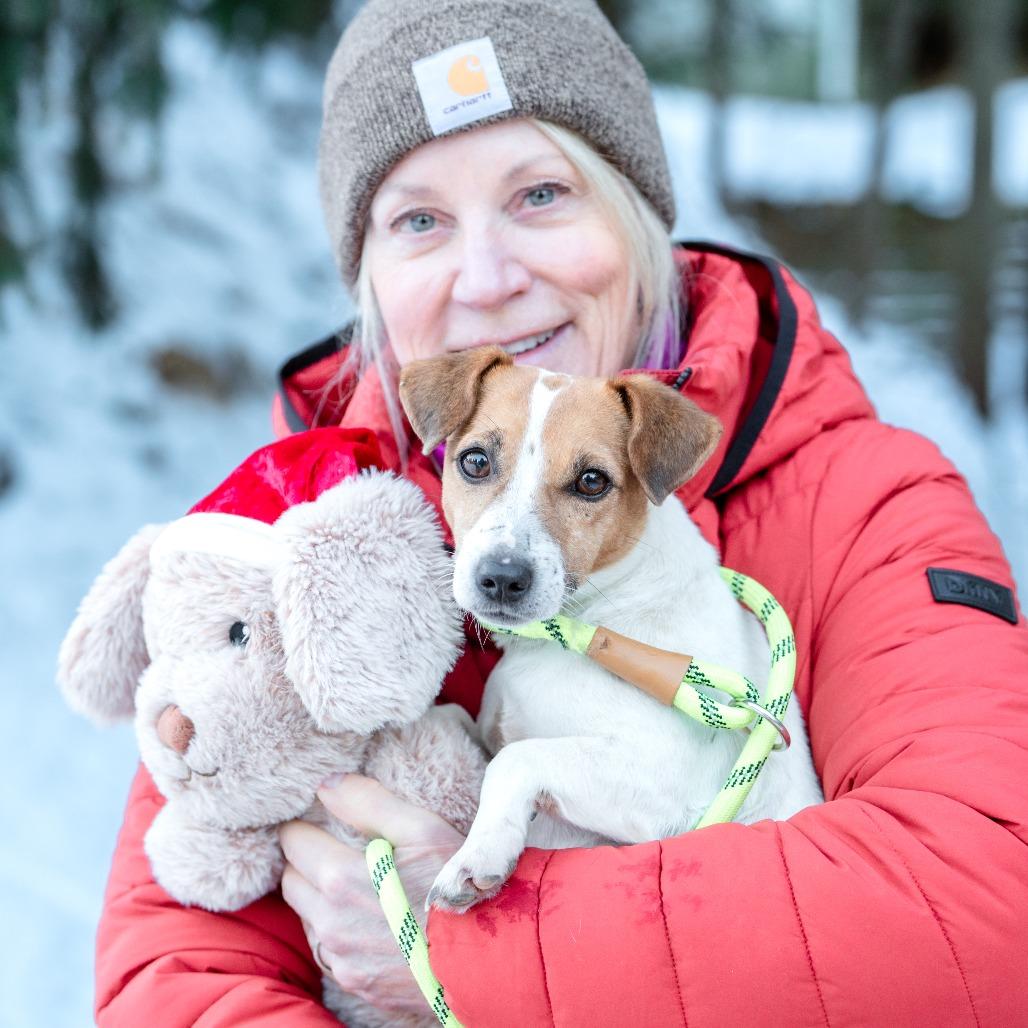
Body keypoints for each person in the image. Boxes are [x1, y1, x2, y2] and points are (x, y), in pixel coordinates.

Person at [94, 0, 1028, 1024]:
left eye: (540, 193)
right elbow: (176, 982)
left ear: (635, 217)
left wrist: (473, 950)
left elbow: (986, 918)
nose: (489, 277)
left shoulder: (867, 509)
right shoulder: (284, 543)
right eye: (419, 220)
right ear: (370, 280)